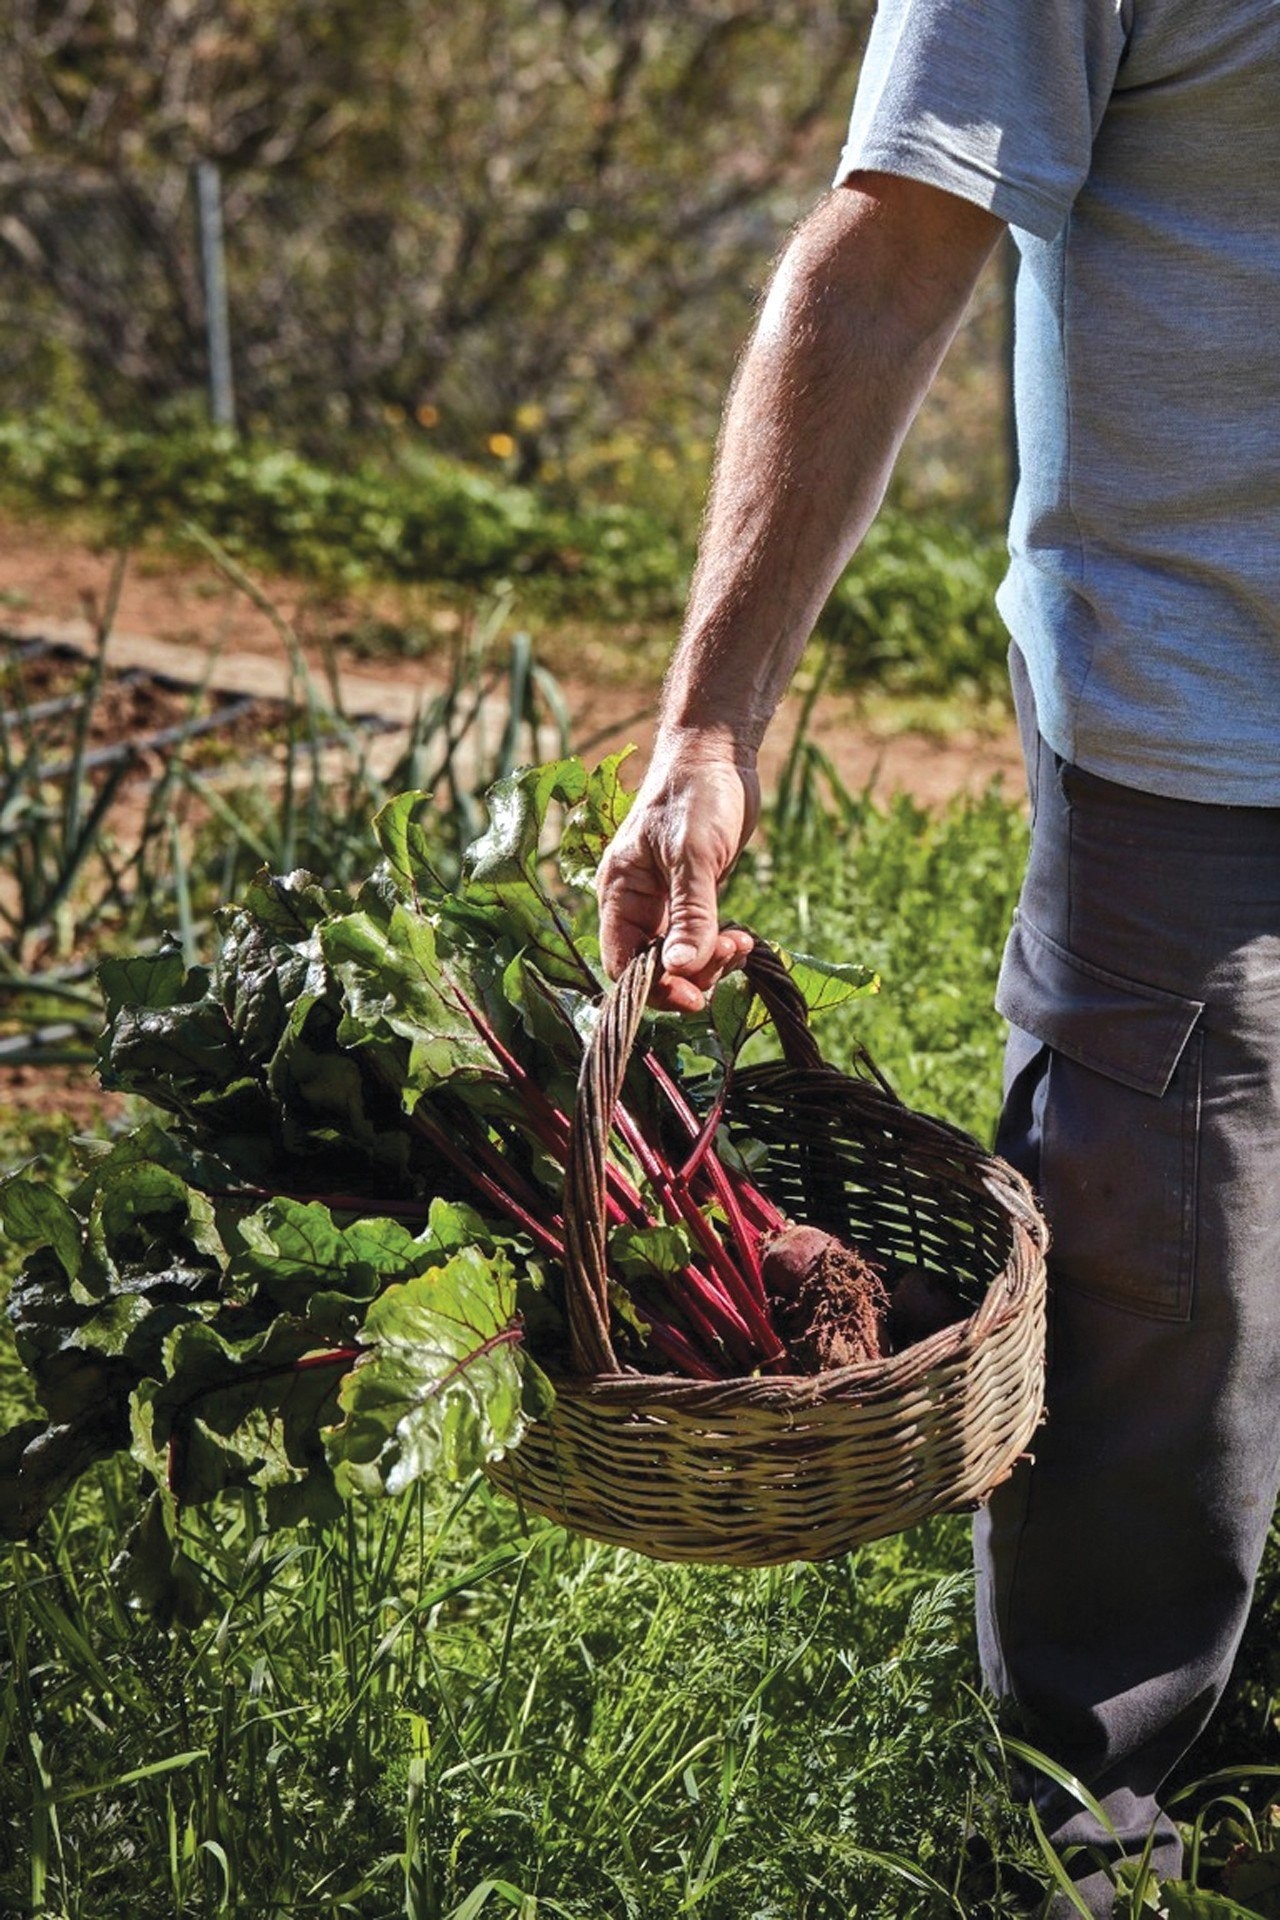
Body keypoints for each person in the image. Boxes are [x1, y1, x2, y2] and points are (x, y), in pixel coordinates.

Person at [594, 4, 1280, 1914]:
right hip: (1205, 734)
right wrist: (712, 730)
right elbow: (896, 252)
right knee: (1176, 1322)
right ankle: (1088, 1843)